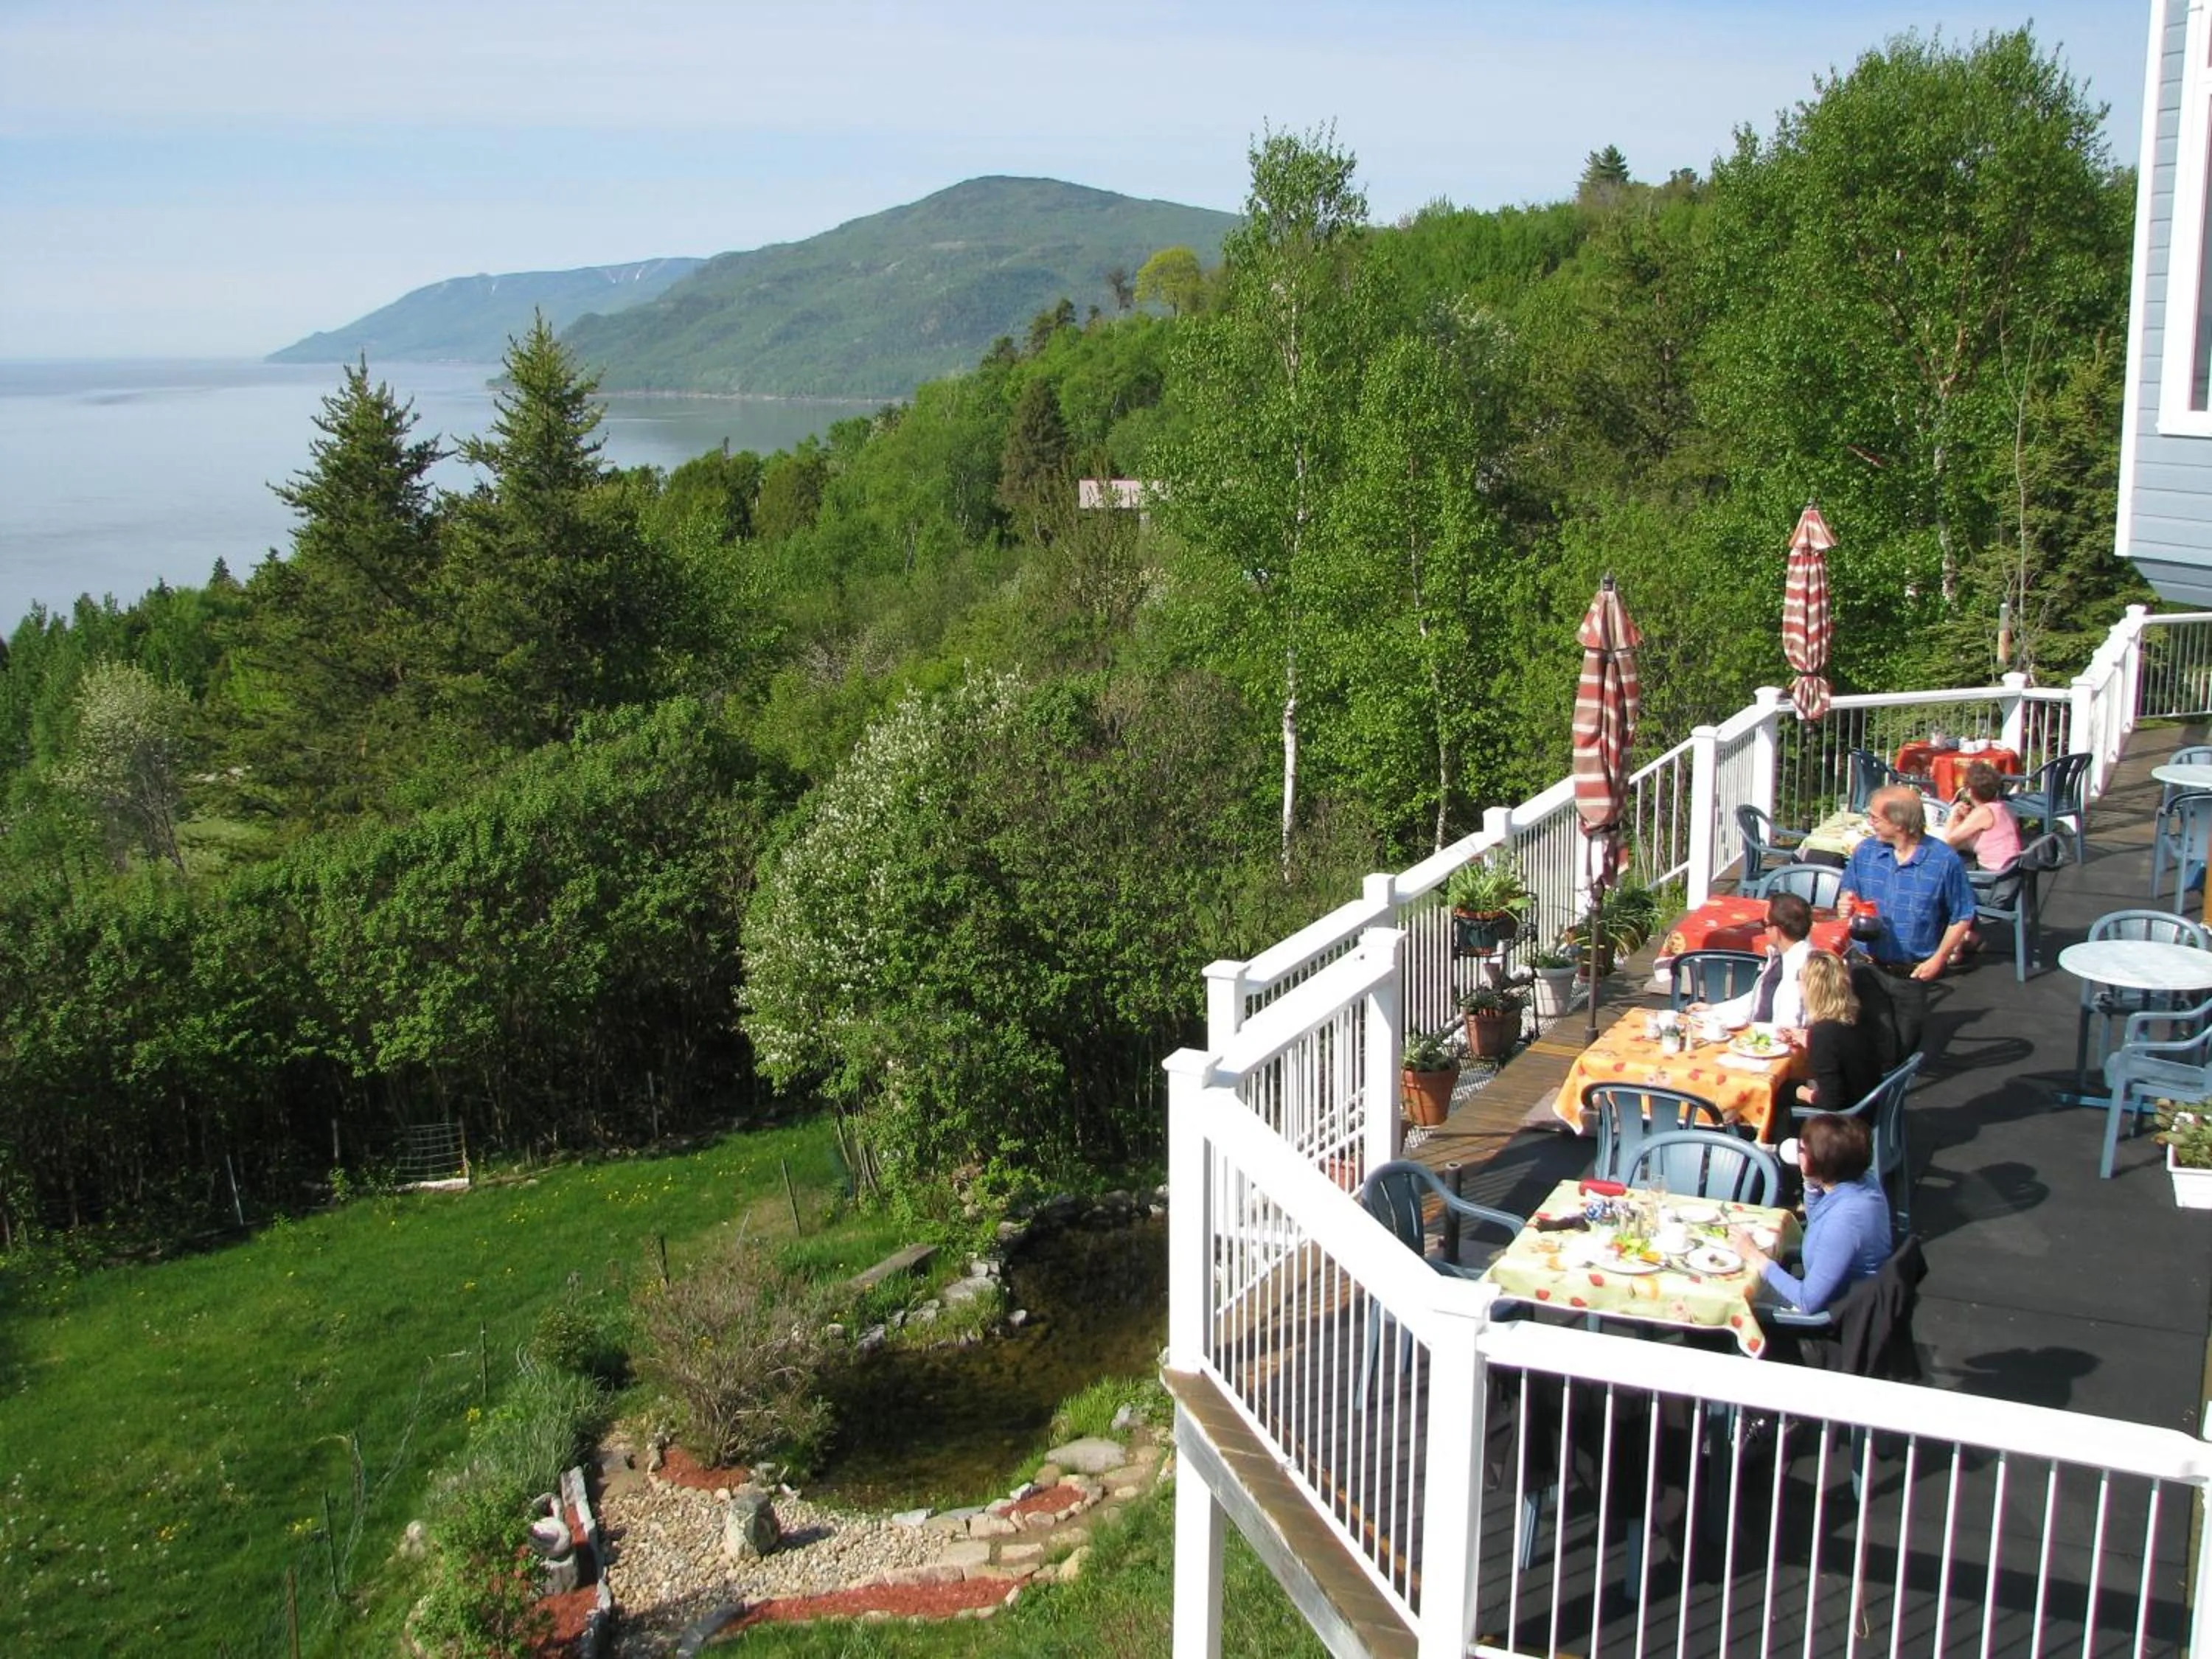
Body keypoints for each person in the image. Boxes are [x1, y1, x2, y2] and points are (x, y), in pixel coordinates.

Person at [1731, 1114, 1891, 1315]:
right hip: (1853, 1297)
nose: (1798, 1151)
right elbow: (1817, 1220)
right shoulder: (1863, 1183)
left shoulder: (1845, 1220)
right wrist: (1811, 1183)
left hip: (1838, 1312)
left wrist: (1756, 1257)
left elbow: (1808, 1301)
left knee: (1731, 1296)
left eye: (1803, 1149)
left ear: (1818, 1162)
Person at [1840, 785, 1978, 980]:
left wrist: (1939, 958)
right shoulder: (1865, 852)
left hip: (1913, 972)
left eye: (1875, 818)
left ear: (1898, 823)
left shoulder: (1943, 860)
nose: (1870, 823)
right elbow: (1849, 890)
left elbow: (1962, 915)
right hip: (1864, 965)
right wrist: (1845, 903)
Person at [1691, 891, 1816, 1031]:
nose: (1764, 930)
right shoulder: (1783, 957)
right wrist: (1713, 1010)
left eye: (1765, 923)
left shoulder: (1801, 968)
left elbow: (1790, 1026)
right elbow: (1759, 999)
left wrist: (1749, 1030)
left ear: (1777, 929)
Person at [1793, 950, 1882, 1110]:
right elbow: (1842, 1052)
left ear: (1812, 988)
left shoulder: (1822, 1033)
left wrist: (1802, 1093)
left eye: (1800, 979)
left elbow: (1832, 1102)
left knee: (1784, 1092)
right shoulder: (1855, 1017)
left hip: (1845, 1123)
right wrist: (1810, 1043)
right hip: (1868, 1103)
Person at [1938, 759, 2023, 872]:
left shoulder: (1984, 812)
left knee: (1948, 868)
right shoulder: (2002, 808)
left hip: (1994, 874)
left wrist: (1953, 814)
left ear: (1969, 791)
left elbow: (1949, 841)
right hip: (2012, 870)